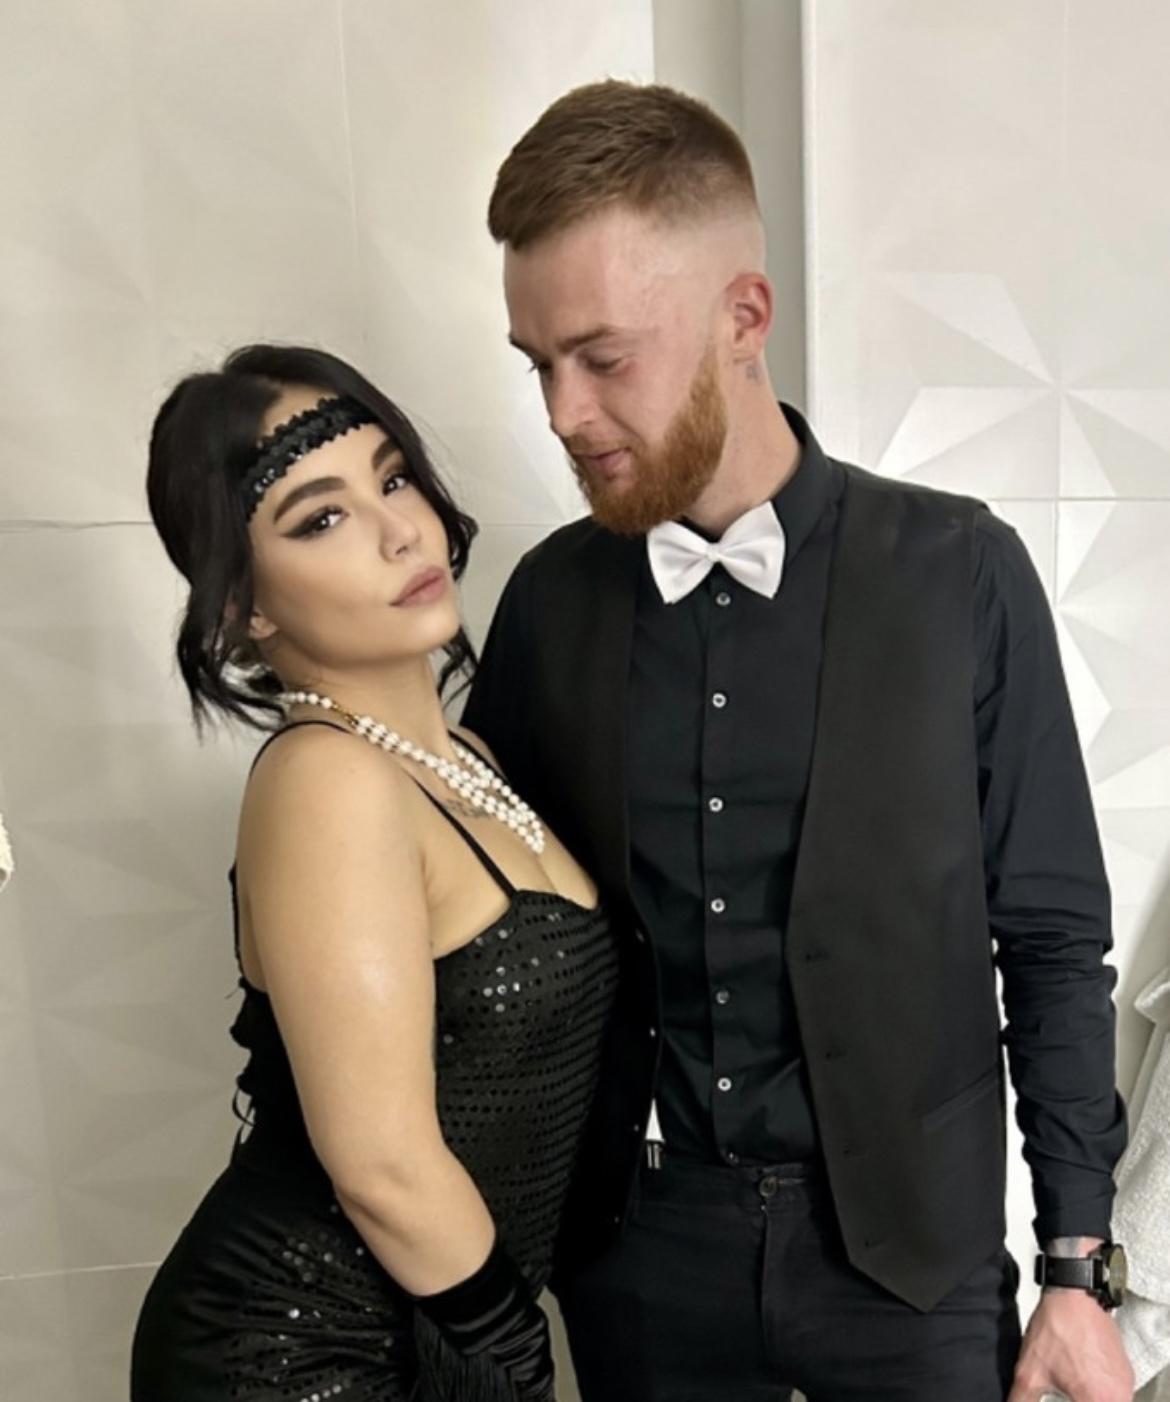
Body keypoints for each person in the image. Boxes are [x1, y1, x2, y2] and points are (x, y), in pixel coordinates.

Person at [462, 81, 1133, 1401]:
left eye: (602, 357)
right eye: (537, 364)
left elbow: (1052, 941)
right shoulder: (546, 603)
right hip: (636, 1259)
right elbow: (497, 954)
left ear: (744, 319)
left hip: (914, 1266)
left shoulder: (962, 573)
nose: (561, 413)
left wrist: (1075, 1266)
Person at [130, 344, 618, 1401]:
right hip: (296, 1355)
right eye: (321, 518)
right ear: (244, 608)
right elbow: (381, 1162)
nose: (401, 530)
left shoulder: (469, 756)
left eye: (393, 479)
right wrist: (514, 1355)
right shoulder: (328, 779)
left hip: (435, 1326)